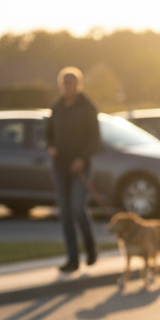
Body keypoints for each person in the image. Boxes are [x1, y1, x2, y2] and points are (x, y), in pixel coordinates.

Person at [46, 67, 101, 272]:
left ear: (79, 85)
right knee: (65, 212)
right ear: (61, 86)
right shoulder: (57, 107)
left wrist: (82, 158)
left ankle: (91, 248)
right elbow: (49, 133)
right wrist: (50, 146)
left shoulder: (87, 107)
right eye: (65, 83)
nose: (69, 87)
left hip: (80, 166)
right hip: (59, 166)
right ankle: (72, 258)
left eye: (72, 83)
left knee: (77, 208)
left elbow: (95, 140)